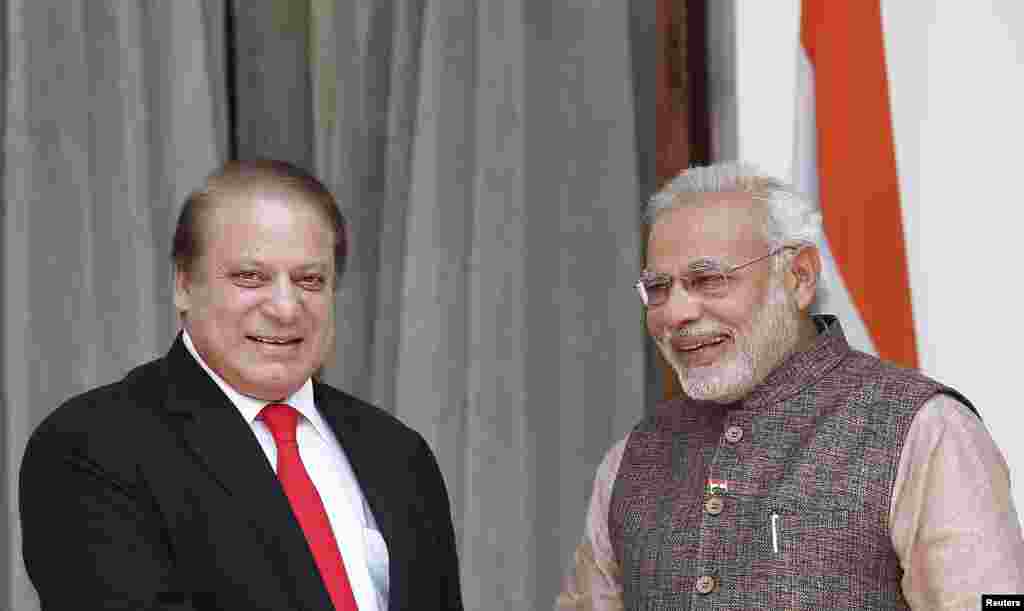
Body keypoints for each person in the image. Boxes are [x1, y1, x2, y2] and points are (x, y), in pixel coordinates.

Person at [556, 161, 1024, 609]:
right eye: (658, 288)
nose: (676, 314)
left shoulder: (926, 431)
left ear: (798, 277)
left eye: (708, 279)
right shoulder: (634, 457)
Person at [20, 160, 464, 611]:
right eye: (250, 277)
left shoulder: (398, 455)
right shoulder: (94, 447)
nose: (286, 308)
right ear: (184, 285)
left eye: (310, 280)